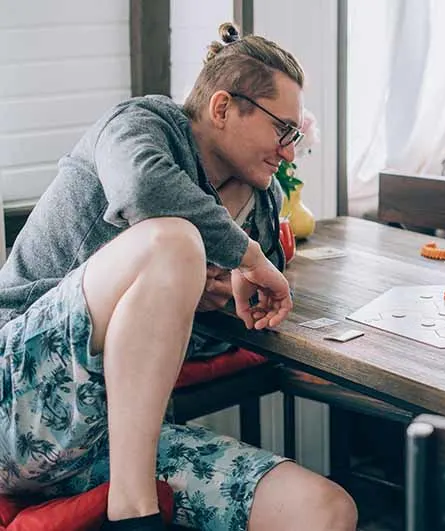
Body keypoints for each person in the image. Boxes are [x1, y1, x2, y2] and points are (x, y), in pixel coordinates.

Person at [0, 23, 357, 531]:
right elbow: (144, 190)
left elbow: (191, 349)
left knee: (325, 510)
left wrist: (219, 300)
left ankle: (132, 492)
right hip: (15, 393)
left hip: (114, 439)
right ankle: (134, 513)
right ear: (221, 108)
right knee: (175, 242)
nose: (290, 151)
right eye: (284, 130)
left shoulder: (260, 197)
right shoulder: (137, 124)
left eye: (296, 136)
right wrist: (245, 254)